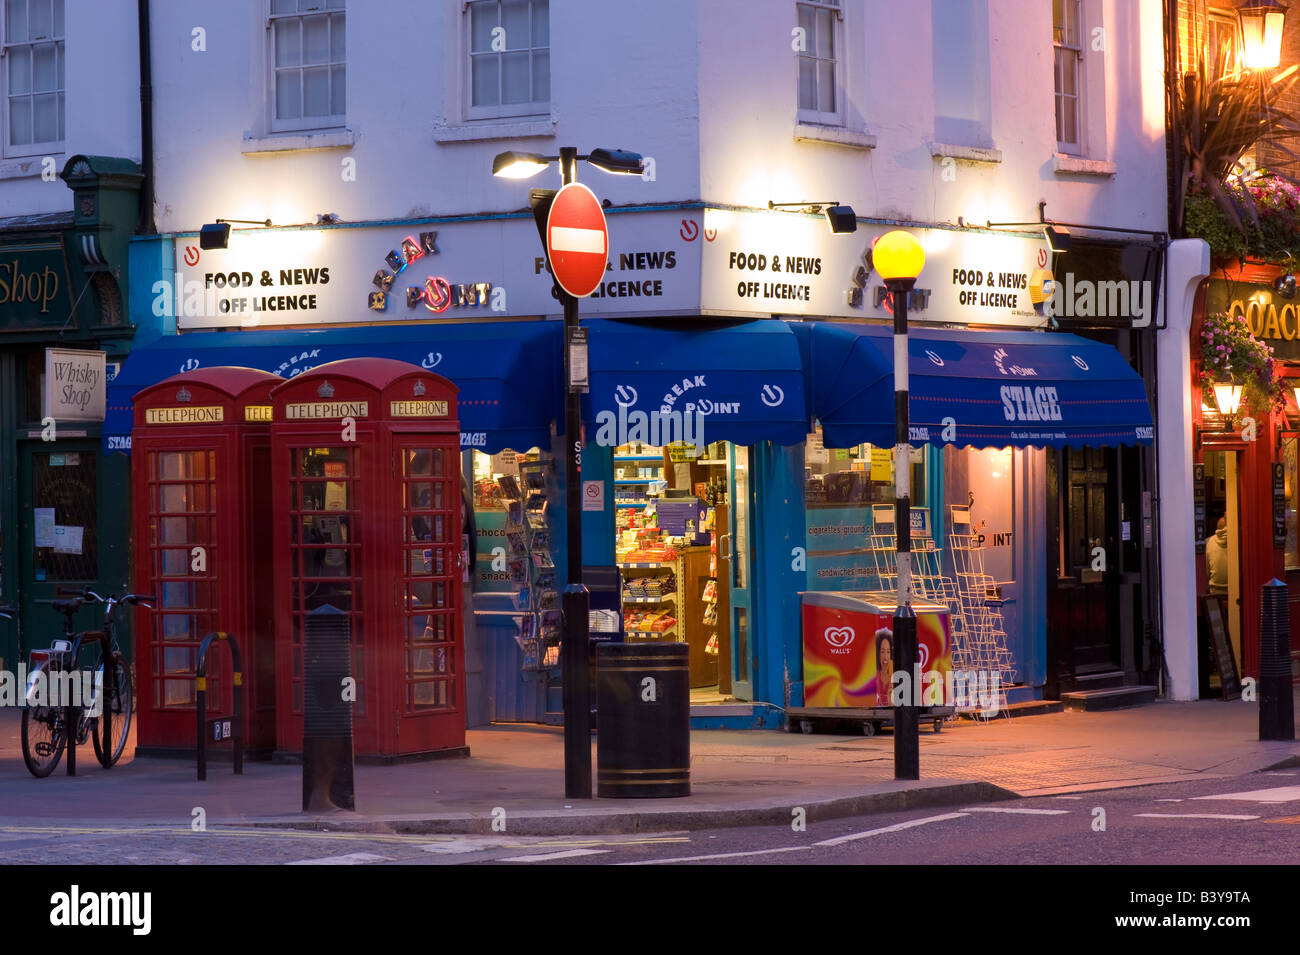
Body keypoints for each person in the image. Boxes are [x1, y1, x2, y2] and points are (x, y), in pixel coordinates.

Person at [1205, 516, 1229, 595]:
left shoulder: (1209, 542)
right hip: (1233, 591)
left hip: (1214, 592)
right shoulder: (1237, 540)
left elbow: (1206, 572)